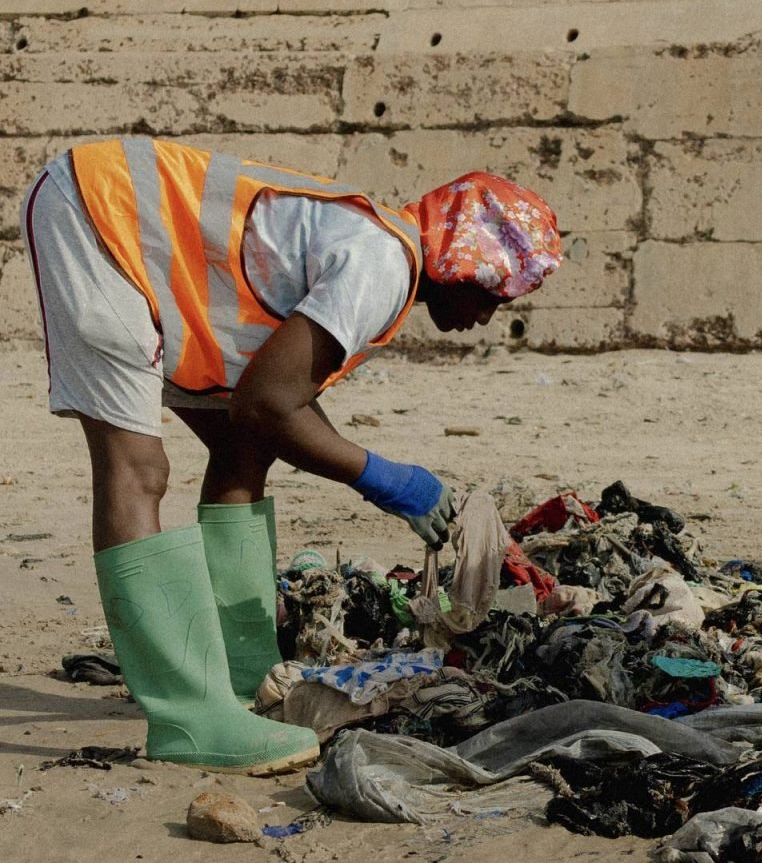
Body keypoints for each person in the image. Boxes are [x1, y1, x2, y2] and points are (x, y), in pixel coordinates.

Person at [21, 138, 561, 774]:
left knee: (239, 449)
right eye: (492, 295)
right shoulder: (383, 264)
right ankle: (189, 718)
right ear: (462, 265)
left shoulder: (384, 248)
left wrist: (386, 478)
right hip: (97, 218)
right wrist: (393, 482)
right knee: (138, 468)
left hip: (119, 222)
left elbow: (271, 406)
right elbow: (270, 405)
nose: (488, 316)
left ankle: (243, 669)